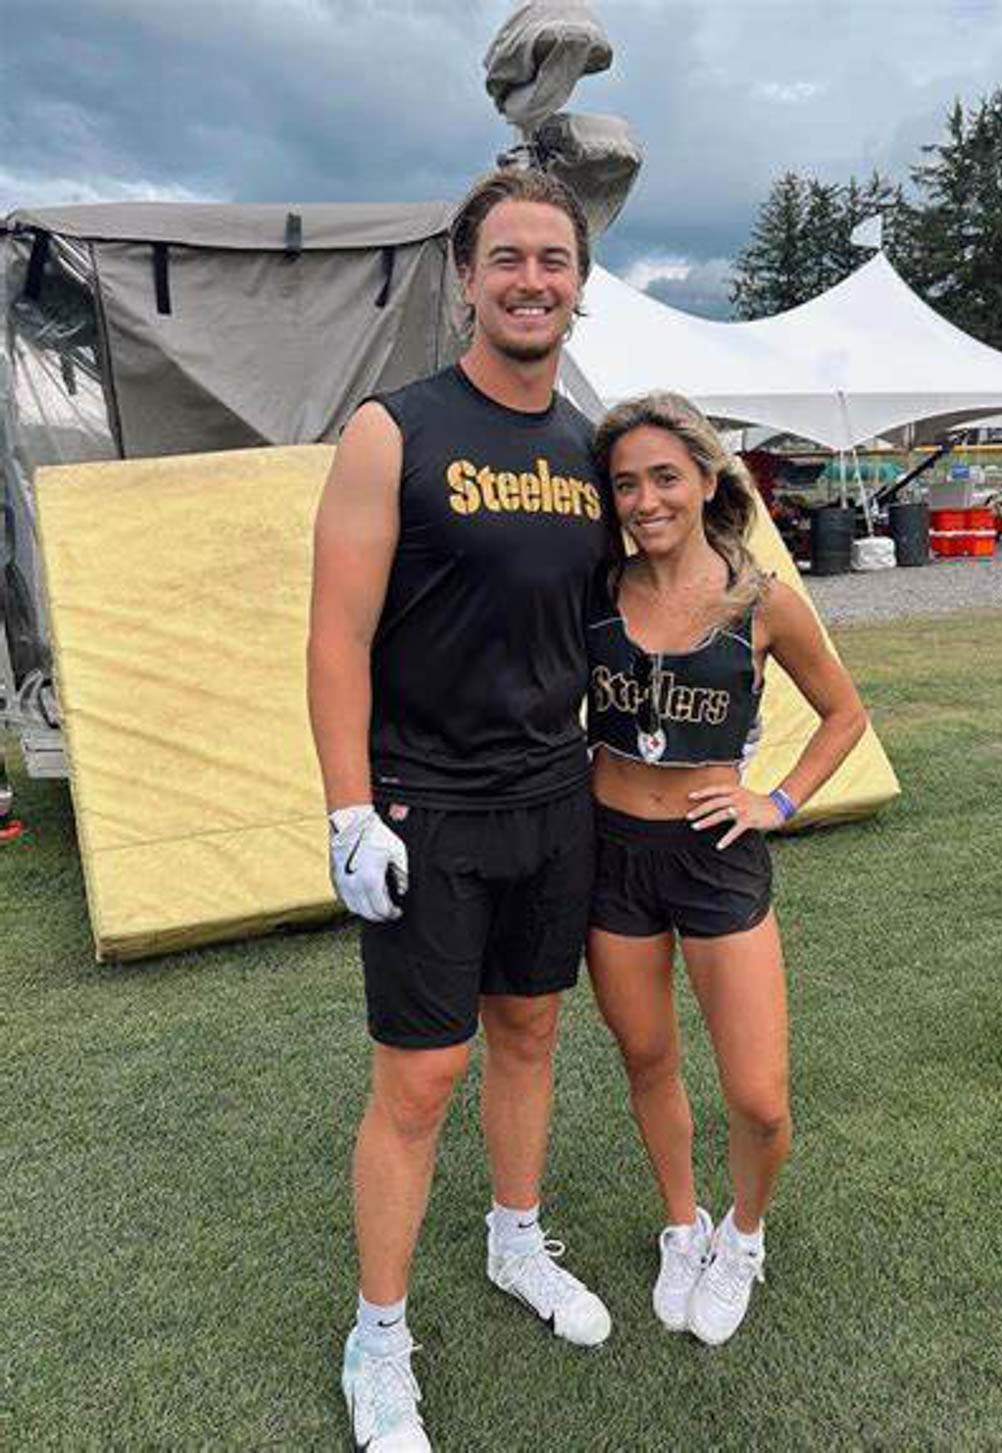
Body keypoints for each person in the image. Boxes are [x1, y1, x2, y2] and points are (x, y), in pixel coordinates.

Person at [307, 168, 615, 1453]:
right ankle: (377, 1340)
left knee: (532, 1034)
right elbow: (335, 634)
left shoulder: (589, 448)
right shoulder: (396, 428)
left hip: (558, 798)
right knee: (423, 1078)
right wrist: (345, 810)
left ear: (579, 285)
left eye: (554, 258)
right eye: (508, 258)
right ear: (465, 275)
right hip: (427, 806)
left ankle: (513, 1241)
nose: (531, 279)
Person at [585, 393, 867, 1346]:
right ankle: (682, 1223)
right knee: (647, 1056)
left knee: (759, 1095)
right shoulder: (598, 588)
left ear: (708, 479)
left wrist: (775, 801)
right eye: (626, 482)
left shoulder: (761, 600)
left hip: (715, 858)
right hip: (611, 853)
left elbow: (845, 715)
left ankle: (743, 1233)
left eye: (665, 476)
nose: (645, 498)